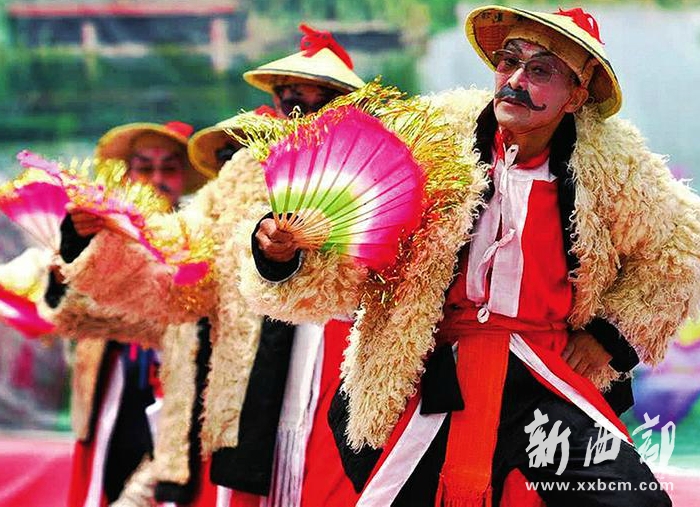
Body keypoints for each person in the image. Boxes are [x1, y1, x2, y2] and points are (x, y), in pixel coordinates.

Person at [246, 6, 700, 507]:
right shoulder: (432, 144)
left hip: (544, 377)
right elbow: (350, 243)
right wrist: (281, 252)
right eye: (509, 62)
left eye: (541, 70)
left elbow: (679, 251)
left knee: (634, 502)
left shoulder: (615, 166)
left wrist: (609, 338)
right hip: (435, 375)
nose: (516, 81)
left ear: (575, 95)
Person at [44, 25, 367, 507]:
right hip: (245, 401)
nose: (302, 115)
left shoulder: (375, 179)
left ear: (350, 107)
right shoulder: (237, 185)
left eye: (321, 102)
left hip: (339, 383)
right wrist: (96, 237)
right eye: (290, 101)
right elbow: (176, 269)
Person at [44, 120, 208, 507]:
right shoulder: (96, 228)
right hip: (113, 379)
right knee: (103, 482)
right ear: (128, 174)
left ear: (183, 177)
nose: (157, 179)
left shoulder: (200, 237)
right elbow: (64, 309)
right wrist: (72, 256)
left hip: (176, 382)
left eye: (168, 168)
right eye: (145, 168)